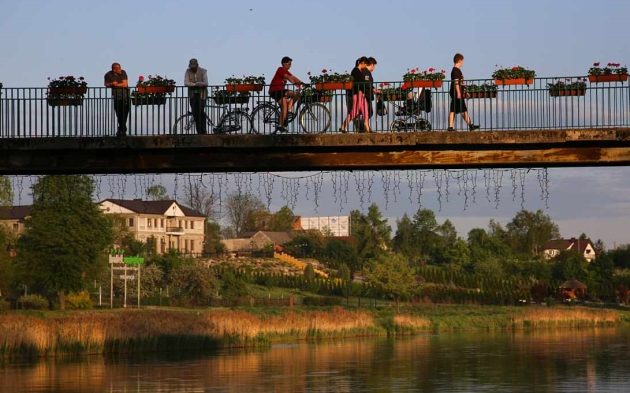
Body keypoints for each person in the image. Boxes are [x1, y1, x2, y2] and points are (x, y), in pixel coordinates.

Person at [268, 56, 304, 132]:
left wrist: (302, 83)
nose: (290, 65)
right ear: (284, 63)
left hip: (281, 91)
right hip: (275, 90)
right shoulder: (280, 69)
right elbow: (288, 77)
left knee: (297, 94)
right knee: (284, 105)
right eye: (289, 64)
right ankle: (280, 125)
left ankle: (289, 109)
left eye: (291, 64)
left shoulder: (286, 71)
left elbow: (293, 77)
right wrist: (295, 83)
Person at [448, 53, 479, 131]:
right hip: (456, 94)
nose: (463, 63)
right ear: (459, 60)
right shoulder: (455, 71)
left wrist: (465, 91)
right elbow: (456, 82)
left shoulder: (458, 71)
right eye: (462, 61)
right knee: (454, 110)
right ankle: (450, 127)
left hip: (458, 93)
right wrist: (458, 93)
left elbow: (461, 83)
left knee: (462, 110)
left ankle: (470, 125)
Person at [340, 57, 371, 133]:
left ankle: (367, 129)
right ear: (362, 63)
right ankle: (343, 126)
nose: (366, 66)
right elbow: (359, 83)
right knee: (354, 112)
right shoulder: (355, 71)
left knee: (366, 111)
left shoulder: (359, 71)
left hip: (361, 93)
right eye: (366, 64)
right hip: (357, 94)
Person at [104, 63, 130, 137]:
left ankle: (121, 128)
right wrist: (112, 83)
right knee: (118, 113)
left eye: (119, 68)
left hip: (125, 96)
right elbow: (106, 84)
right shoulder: (108, 74)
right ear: (113, 69)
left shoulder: (123, 72)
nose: (119, 70)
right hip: (116, 96)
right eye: (118, 68)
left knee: (125, 112)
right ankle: (122, 128)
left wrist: (116, 85)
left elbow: (125, 84)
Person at [184, 58, 208, 134]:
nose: (192, 68)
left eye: (194, 66)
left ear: (197, 65)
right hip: (192, 95)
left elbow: (206, 83)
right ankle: (199, 131)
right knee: (195, 113)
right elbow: (186, 83)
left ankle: (203, 131)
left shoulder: (203, 71)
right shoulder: (188, 71)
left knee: (201, 112)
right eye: (191, 67)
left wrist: (197, 84)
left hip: (202, 95)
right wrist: (196, 84)